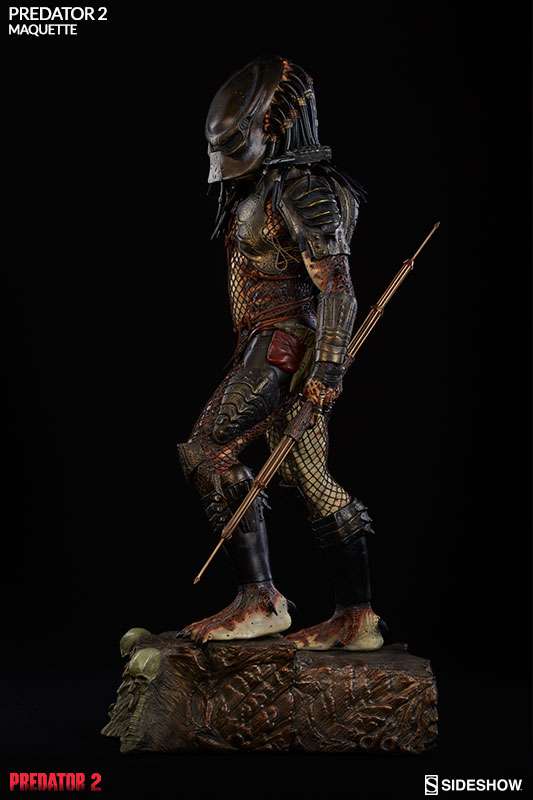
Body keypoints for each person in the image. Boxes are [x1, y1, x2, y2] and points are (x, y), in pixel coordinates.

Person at [177, 56, 385, 651]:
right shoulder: (268, 185)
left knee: (207, 451)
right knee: (308, 477)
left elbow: (338, 287)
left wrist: (327, 369)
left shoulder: (303, 190)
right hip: (270, 346)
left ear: (275, 123)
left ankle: (261, 599)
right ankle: (358, 617)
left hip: (282, 349)